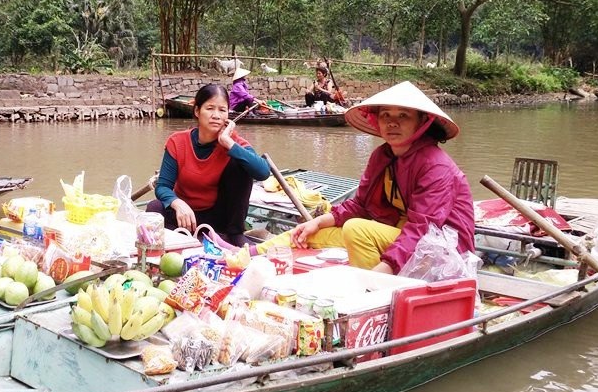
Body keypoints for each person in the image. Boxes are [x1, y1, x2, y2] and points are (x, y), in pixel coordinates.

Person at [285, 80, 475, 274]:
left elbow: (422, 229)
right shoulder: (382, 156)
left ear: (422, 122)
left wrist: (382, 271)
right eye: (385, 115)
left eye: (403, 115)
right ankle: (256, 250)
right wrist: (317, 222)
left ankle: (375, 290)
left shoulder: (436, 166)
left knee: (356, 230)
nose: (392, 122)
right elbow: (360, 205)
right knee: (313, 234)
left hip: (444, 250)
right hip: (405, 238)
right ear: (376, 120)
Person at [147, 83, 271, 246]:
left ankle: (234, 235)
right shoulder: (178, 141)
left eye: (222, 110)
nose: (216, 115)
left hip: (218, 217)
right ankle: (190, 239)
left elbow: (263, 172)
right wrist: (177, 203)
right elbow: (162, 186)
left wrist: (228, 143)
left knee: (240, 163)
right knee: (154, 208)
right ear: (197, 111)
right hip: (184, 217)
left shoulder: (233, 142)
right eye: (210, 108)